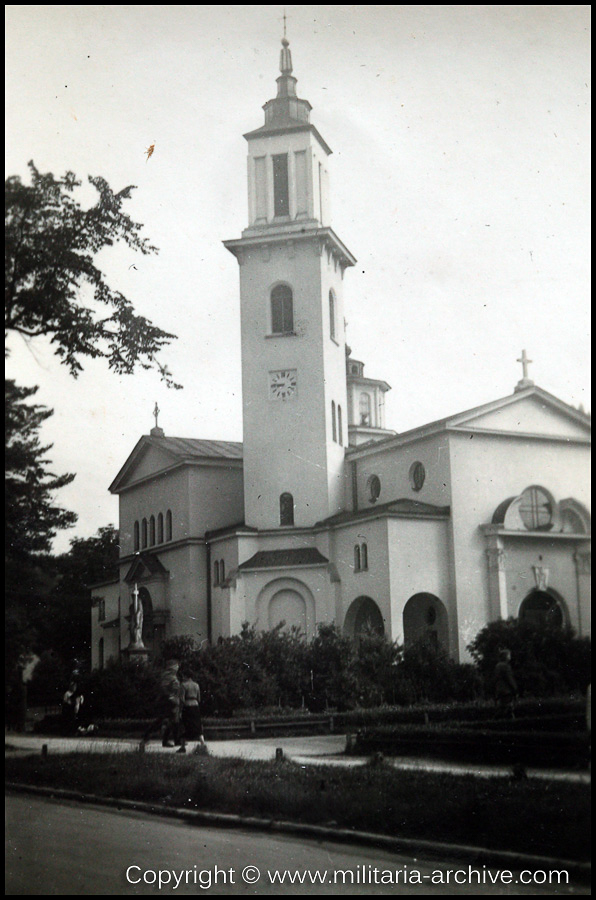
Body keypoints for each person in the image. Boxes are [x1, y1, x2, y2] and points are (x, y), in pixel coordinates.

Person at [140, 657, 185, 751]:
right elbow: (163, 687)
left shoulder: (170, 675)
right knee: (166, 720)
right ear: (172, 667)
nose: (177, 668)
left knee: (171, 720)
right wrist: (170, 696)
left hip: (170, 701)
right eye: (176, 666)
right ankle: (147, 737)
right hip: (168, 701)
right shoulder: (167, 676)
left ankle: (170, 741)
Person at [180, 668, 205, 745]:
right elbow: (199, 698)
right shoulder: (196, 685)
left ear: (186, 676)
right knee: (197, 724)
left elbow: (182, 699)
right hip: (195, 706)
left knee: (185, 725)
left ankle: (183, 746)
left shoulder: (183, 685)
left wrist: (180, 710)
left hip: (187, 706)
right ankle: (202, 743)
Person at [494, 648, 517, 718]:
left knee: (503, 706)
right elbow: (509, 679)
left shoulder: (497, 666)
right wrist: (515, 688)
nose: (510, 657)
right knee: (507, 707)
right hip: (507, 690)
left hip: (499, 689)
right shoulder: (506, 666)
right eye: (509, 655)